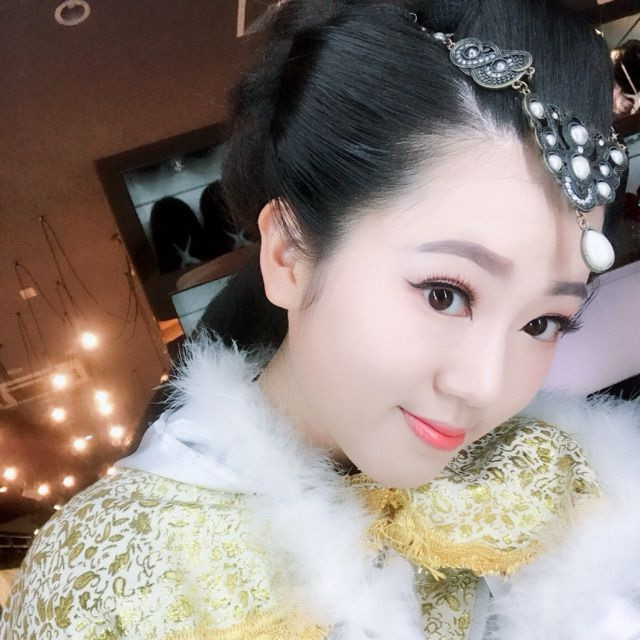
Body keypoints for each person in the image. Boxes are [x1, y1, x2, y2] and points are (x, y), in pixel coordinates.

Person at [3, 1, 640, 638]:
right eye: (445, 294)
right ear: (289, 255)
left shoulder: (560, 482)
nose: (485, 385)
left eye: (543, 323)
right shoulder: (107, 574)